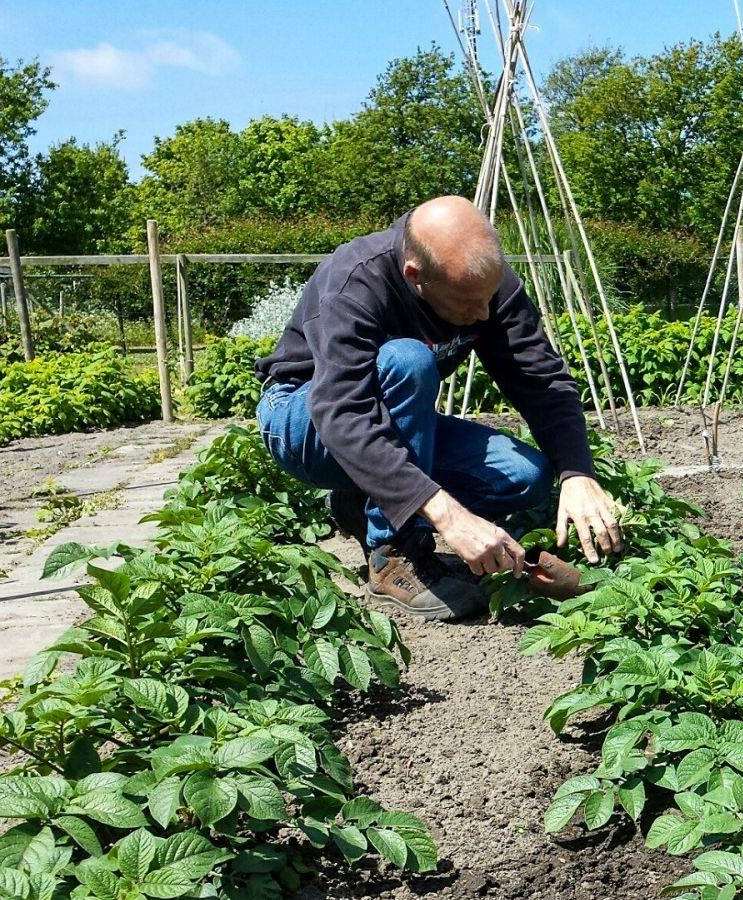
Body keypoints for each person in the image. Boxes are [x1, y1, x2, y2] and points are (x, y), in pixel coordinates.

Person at [254, 195, 625, 621]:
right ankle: (393, 553)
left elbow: (540, 380)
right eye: (468, 302)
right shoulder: (356, 279)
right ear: (416, 276)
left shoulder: (482, 282)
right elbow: (343, 413)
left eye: (488, 297)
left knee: (526, 476)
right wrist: (448, 516)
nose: (484, 312)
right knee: (407, 360)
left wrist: (577, 471)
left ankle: (362, 504)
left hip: (379, 425)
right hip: (302, 421)